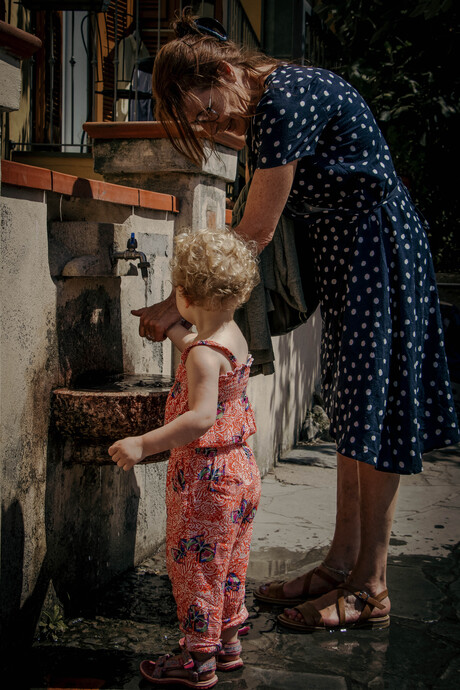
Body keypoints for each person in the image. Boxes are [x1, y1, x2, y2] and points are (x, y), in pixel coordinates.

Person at [132, 10, 460, 633]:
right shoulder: (271, 101)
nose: (212, 123)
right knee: (353, 411)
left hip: (378, 254)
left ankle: (371, 586)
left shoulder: (283, 101)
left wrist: (177, 305)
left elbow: (253, 235)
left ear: (227, 71)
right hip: (354, 259)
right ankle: (341, 565)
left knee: (378, 410)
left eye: (205, 109)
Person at [109, 227, 261, 687]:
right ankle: (229, 640)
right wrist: (177, 331)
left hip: (206, 479)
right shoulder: (233, 336)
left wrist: (142, 443)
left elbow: (199, 417)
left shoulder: (201, 357)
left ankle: (198, 661)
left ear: (184, 294)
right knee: (229, 560)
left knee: (196, 566)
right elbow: (204, 353)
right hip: (241, 472)